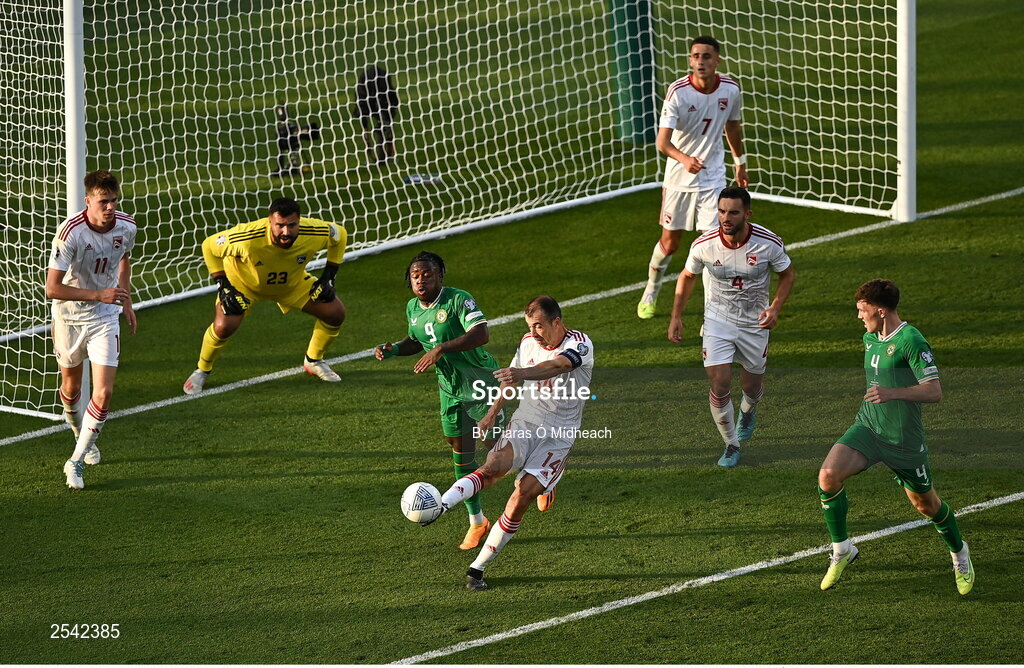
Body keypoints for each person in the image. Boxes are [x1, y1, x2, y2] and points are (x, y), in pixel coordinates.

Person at [421, 295, 594, 591]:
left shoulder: (580, 344)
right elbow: (509, 381)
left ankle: (477, 568)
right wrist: (491, 414)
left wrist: (522, 373)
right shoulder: (528, 343)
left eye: (539, 325)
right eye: (530, 326)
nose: (534, 332)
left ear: (557, 322)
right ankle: (441, 505)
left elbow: (558, 367)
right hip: (527, 419)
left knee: (521, 497)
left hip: (560, 435)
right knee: (493, 466)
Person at [817, 279, 974, 595]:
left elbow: (934, 391)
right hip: (869, 427)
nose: (859, 317)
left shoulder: (911, 341)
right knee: (828, 476)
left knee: (926, 505)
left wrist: (892, 393)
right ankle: (842, 549)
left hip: (903, 439)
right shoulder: (870, 337)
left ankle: (960, 553)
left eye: (863, 311)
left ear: (881, 310)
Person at [374, 252, 504, 550]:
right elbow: (417, 341)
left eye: (428, 273)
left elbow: (481, 334)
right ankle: (477, 521)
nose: (421, 278)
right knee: (460, 449)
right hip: (450, 389)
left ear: (440, 275)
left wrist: (442, 349)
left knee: (499, 450)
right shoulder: (412, 308)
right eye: (416, 274)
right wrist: (393, 349)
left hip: (480, 382)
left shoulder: (459, 300)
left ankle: (543, 474)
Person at [668, 186, 794, 467]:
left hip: (755, 323)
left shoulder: (767, 243)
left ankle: (748, 411)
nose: (726, 218)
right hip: (717, 321)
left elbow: (787, 274)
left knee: (751, 386)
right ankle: (731, 445)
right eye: (722, 211)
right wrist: (676, 315)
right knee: (719, 382)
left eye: (733, 212)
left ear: (747, 214)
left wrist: (775, 307)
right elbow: (687, 276)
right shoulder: (704, 244)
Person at [182, 197, 347, 394]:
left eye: (292, 225)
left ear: (299, 222)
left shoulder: (315, 231)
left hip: (290, 285)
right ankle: (202, 370)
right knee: (224, 326)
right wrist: (224, 286)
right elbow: (209, 246)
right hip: (243, 286)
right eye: (280, 226)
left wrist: (329, 276)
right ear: (270, 222)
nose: (286, 232)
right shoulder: (246, 238)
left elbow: (340, 234)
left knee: (335, 313)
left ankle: (313, 360)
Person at [637, 35, 748, 320]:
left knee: (713, 245)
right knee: (670, 243)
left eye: (706, 56)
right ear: (690, 60)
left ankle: (712, 312)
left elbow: (732, 127)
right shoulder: (678, 92)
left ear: (717, 60)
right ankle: (651, 289)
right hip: (679, 181)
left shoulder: (731, 90)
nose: (701, 61)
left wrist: (740, 163)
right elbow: (662, 142)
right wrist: (685, 159)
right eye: (696, 56)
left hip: (713, 180)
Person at [46, 170, 138, 490]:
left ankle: (75, 460)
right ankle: (80, 433)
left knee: (103, 392)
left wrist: (123, 299)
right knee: (71, 391)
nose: (109, 207)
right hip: (69, 317)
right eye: (103, 201)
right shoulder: (70, 233)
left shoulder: (127, 227)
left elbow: (124, 258)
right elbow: (52, 288)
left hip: (104, 316)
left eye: (113, 200)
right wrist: (99, 293)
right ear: (88, 201)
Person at [354, 64, 399, 165]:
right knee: (386, 123)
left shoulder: (370, 82)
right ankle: (386, 155)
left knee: (381, 123)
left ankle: (378, 154)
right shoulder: (369, 84)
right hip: (372, 94)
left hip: (377, 94)